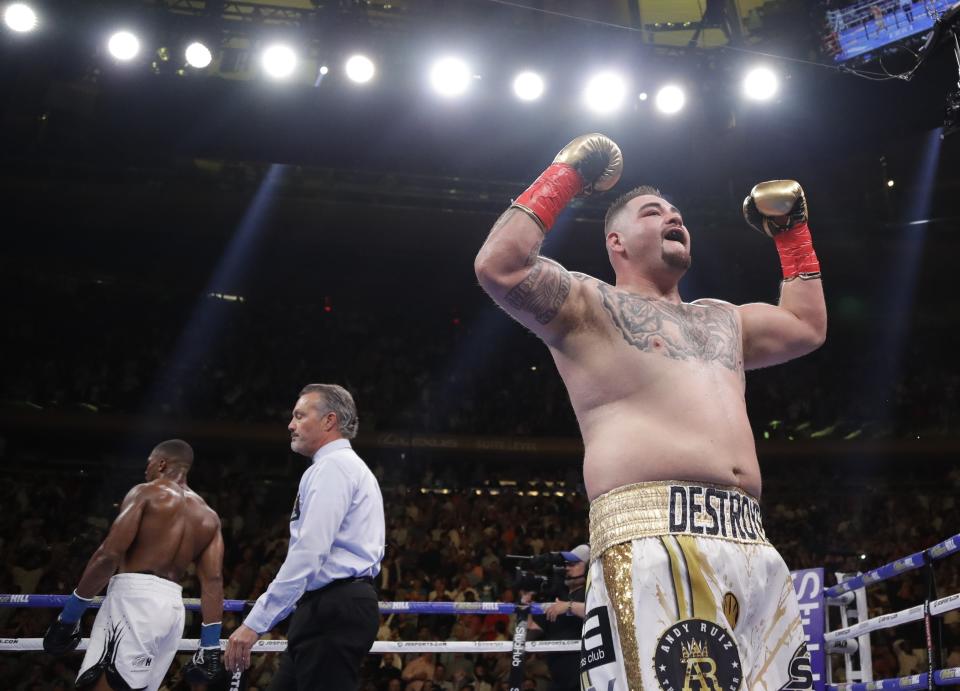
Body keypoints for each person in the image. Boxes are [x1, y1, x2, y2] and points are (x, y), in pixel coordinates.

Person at [474, 134, 825, 691]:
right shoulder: (589, 306)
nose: (673, 216)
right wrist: (567, 173)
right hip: (653, 541)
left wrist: (791, 231)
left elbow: (806, 326)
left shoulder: (723, 320)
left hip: (752, 541)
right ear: (617, 240)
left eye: (677, 212)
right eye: (653, 211)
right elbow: (501, 266)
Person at [225, 383, 386, 689]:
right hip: (325, 608)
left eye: (300, 415)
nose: (291, 424)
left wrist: (255, 623)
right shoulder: (339, 467)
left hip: (333, 608)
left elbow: (309, 553)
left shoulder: (334, 468)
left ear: (329, 421)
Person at [43, 439, 225, 691]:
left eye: (148, 463)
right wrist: (210, 646)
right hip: (172, 610)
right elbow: (213, 582)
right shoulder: (209, 516)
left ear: (161, 463)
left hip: (135, 603)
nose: (146, 470)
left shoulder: (146, 492)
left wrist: (70, 616)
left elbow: (108, 556)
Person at [521, 545, 588, 691]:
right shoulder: (558, 597)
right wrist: (526, 608)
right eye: (566, 565)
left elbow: (598, 612)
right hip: (558, 679)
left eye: (573, 564)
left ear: (589, 568)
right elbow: (532, 628)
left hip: (584, 677)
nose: (567, 569)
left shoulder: (592, 592)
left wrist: (569, 606)